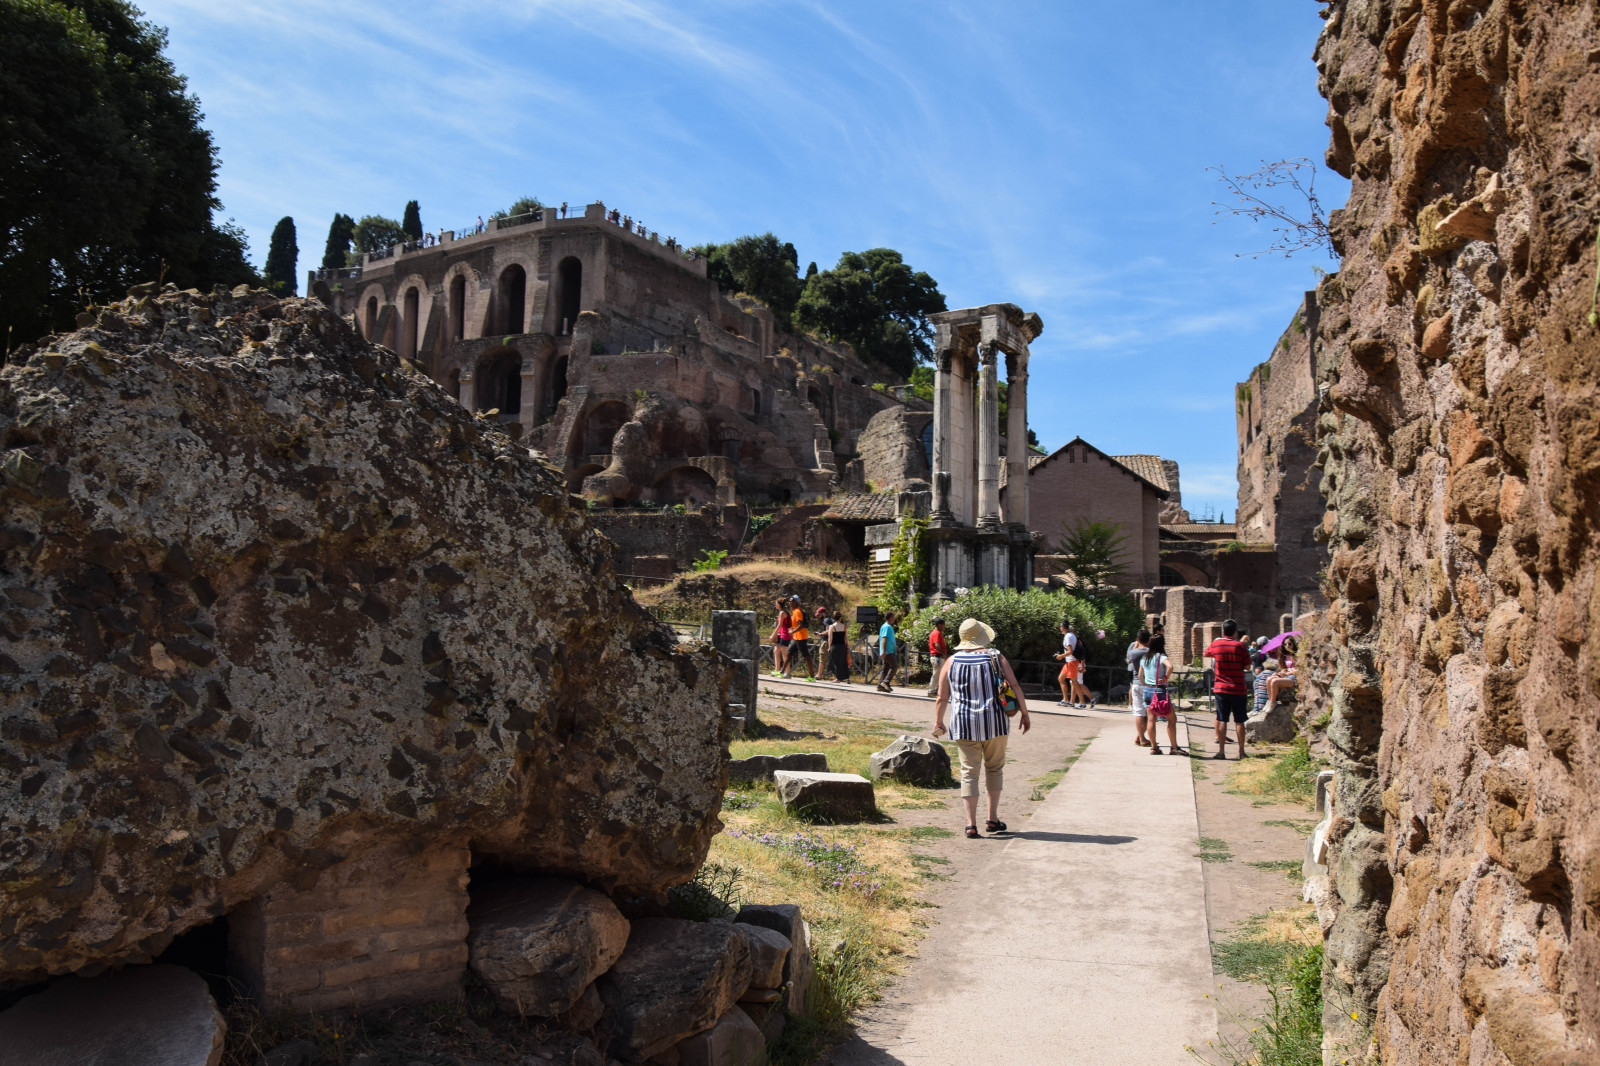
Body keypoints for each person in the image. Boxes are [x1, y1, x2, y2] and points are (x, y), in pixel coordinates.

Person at [932, 618, 1030, 838]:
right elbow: (1014, 685)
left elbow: (942, 696)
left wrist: (939, 721)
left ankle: (970, 824)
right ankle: (992, 819)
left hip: (964, 724)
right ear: (981, 637)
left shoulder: (952, 661)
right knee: (994, 769)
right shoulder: (995, 656)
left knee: (969, 773)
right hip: (995, 723)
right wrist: (1024, 713)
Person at [1205, 619, 1252, 760]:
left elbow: (1206, 653)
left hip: (1221, 688)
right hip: (1238, 688)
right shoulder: (1240, 646)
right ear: (1235, 631)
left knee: (1222, 719)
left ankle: (1221, 752)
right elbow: (1248, 667)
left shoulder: (1216, 644)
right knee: (1239, 721)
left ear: (1223, 631)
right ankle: (1242, 752)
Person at [1140, 634, 1180, 754]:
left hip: (1147, 691)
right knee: (1172, 719)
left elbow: (1139, 675)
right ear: (1162, 644)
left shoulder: (1145, 658)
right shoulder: (1161, 657)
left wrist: (1146, 684)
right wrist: (1165, 677)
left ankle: (1154, 747)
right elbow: (1170, 666)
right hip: (1159, 691)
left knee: (1151, 720)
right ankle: (1174, 747)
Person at [1126, 629, 1151, 747]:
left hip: (1136, 683)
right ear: (1149, 640)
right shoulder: (1152, 652)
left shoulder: (1133, 653)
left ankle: (1139, 737)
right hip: (1148, 684)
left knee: (1139, 712)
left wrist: (1136, 645)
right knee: (1148, 713)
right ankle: (1142, 738)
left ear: (1137, 639)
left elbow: (1128, 660)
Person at [784, 596, 815, 679]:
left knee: (806, 656)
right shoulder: (795, 611)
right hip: (797, 637)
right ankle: (781, 671)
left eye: (792, 601)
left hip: (801, 637)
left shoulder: (797, 611)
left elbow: (800, 625)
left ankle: (812, 676)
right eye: (790, 601)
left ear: (796, 602)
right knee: (789, 653)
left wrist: (792, 632)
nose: (790, 603)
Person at [877, 612, 901, 692]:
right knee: (895, 665)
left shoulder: (887, 627)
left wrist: (896, 648)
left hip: (889, 650)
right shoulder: (887, 627)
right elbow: (884, 639)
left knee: (886, 668)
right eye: (893, 617)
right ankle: (886, 682)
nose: (894, 618)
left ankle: (880, 685)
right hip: (887, 651)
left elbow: (890, 640)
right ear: (890, 617)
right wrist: (884, 651)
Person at [926, 617, 950, 697]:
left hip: (937, 657)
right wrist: (944, 654)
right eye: (943, 625)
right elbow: (937, 645)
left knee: (938, 674)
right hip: (937, 657)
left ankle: (935, 690)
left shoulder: (935, 632)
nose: (944, 626)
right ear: (939, 625)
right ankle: (931, 691)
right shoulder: (937, 633)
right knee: (936, 674)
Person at [769, 598, 791, 676]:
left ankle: (788, 673)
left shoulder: (782, 613)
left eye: (776, 603)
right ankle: (777, 670)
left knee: (784, 653)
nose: (775, 605)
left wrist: (773, 635)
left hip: (785, 635)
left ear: (779, 604)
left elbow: (780, 625)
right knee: (776, 651)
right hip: (781, 634)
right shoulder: (781, 612)